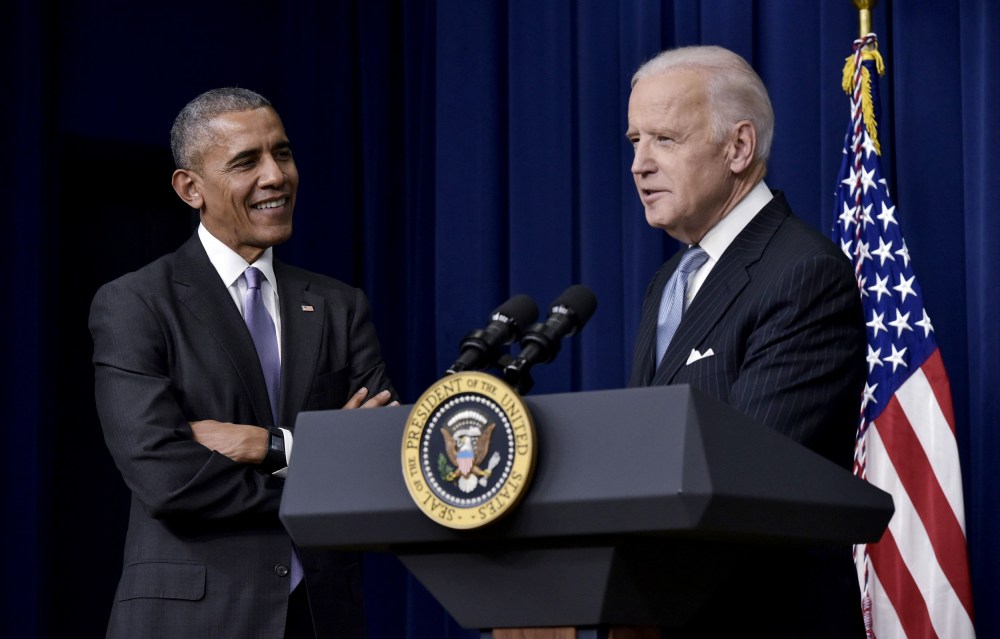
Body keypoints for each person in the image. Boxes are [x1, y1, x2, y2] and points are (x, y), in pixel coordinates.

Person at [90, 88, 395, 639]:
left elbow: (380, 463)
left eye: (282, 153)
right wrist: (319, 468)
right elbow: (165, 477)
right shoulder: (136, 302)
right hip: (192, 619)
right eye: (246, 162)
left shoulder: (340, 306)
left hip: (324, 619)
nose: (276, 176)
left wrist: (268, 446)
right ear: (190, 188)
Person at [626, 46, 867, 636]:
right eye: (634, 140)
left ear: (738, 147)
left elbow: (745, 471)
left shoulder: (803, 273)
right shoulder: (672, 280)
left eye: (664, 139)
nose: (639, 164)